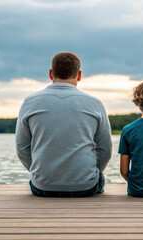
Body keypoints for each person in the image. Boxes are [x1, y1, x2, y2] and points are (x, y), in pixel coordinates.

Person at [15, 52, 112, 197]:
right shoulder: (95, 104)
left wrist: (38, 173)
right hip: (85, 186)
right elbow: (105, 149)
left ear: (50, 73)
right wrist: (91, 173)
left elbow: (22, 147)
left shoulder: (30, 102)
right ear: (79, 75)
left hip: (42, 186)